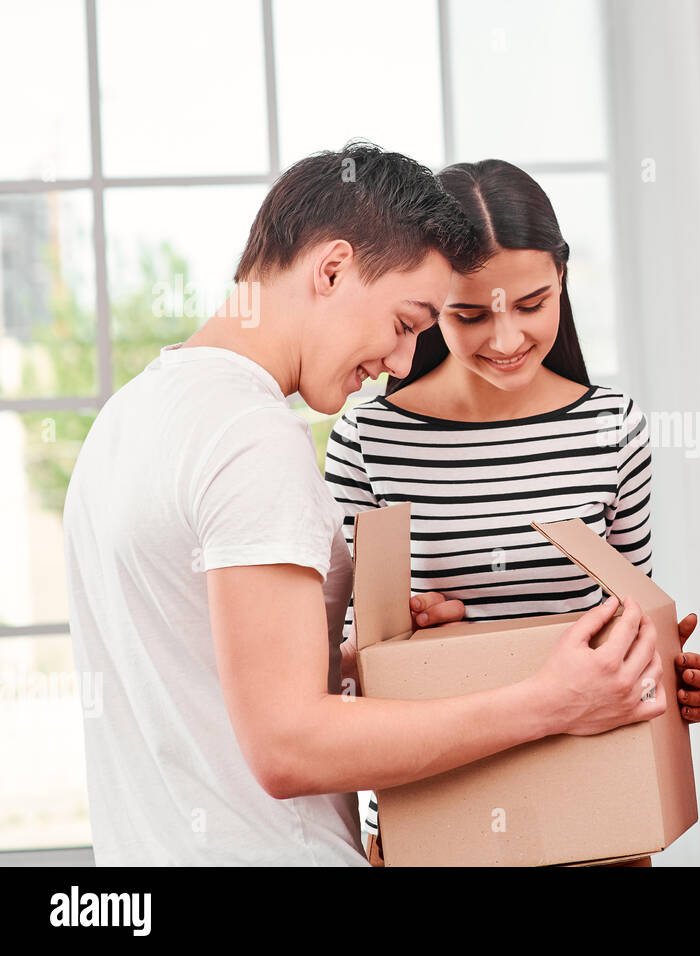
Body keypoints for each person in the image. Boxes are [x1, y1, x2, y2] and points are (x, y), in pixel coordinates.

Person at [63, 142, 668, 866]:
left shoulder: (126, 420)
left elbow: (199, 679)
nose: (403, 360)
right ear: (332, 269)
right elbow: (288, 747)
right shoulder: (252, 437)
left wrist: (355, 662)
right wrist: (549, 702)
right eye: (408, 322)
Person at [324, 159, 700, 863]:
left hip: (599, 820)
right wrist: (405, 636)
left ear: (562, 276)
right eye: (470, 314)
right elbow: (342, 679)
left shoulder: (611, 427)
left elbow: (629, 626)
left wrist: (671, 675)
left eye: (531, 304)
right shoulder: (368, 438)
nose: (505, 342)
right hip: (438, 821)